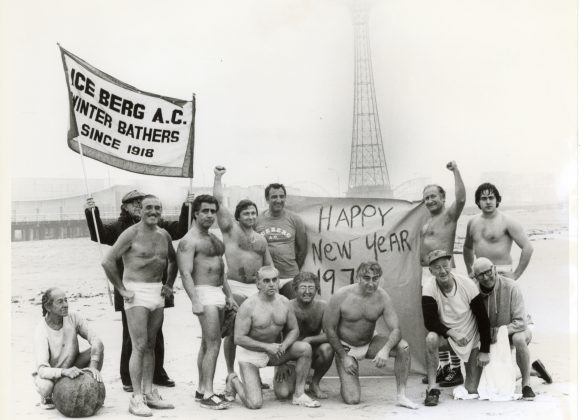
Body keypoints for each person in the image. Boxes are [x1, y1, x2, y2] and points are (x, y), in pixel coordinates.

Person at [85, 190, 194, 391]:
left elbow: (180, 230)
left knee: (155, 338)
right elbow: (99, 235)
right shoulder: (122, 229)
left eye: (139, 201)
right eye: (133, 203)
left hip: (157, 289)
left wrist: (188, 207)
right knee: (132, 338)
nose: (138, 205)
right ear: (125, 206)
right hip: (131, 290)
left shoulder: (160, 228)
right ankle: (127, 378)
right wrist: (92, 212)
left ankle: (157, 373)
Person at [102, 195, 177, 416]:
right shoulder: (131, 233)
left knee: (151, 344)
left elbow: (172, 261)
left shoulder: (164, 235)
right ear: (140, 211)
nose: (153, 211)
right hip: (136, 292)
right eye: (148, 208)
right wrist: (122, 289)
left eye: (157, 208)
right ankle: (136, 397)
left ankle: (149, 392)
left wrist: (170, 284)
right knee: (139, 344)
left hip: (157, 291)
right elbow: (107, 261)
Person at [323, 261, 418, 409]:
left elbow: (396, 329)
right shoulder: (341, 295)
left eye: (375, 278)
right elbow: (329, 329)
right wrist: (343, 356)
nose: (371, 283)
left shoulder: (382, 296)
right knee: (352, 399)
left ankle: (402, 395)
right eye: (366, 278)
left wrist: (385, 349)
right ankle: (347, 378)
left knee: (403, 347)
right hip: (346, 347)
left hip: (369, 342)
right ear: (358, 277)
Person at [224, 266, 321, 409]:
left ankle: (299, 394)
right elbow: (238, 338)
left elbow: (294, 330)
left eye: (275, 280)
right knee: (254, 404)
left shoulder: (284, 302)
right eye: (266, 280)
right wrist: (267, 346)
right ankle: (233, 380)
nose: (271, 284)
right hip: (251, 356)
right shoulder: (248, 306)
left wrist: (285, 345)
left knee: (305, 348)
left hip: (275, 352)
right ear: (258, 284)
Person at [177, 194, 237, 410]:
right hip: (202, 293)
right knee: (213, 343)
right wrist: (194, 300)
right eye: (205, 211)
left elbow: (222, 271)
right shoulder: (188, 241)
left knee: (207, 342)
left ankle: (202, 389)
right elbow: (185, 273)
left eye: (213, 211)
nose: (210, 215)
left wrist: (228, 295)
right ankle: (209, 395)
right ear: (195, 213)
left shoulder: (213, 239)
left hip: (218, 293)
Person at [212, 166, 273, 377]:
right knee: (232, 330)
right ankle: (230, 373)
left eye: (253, 213)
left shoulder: (261, 239)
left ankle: (251, 371)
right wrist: (218, 178)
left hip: (256, 289)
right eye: (246, 213)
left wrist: (272, 288)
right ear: (237, 216)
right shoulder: (230, 229)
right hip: (236, 286)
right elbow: (219, 203)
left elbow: (269, 267)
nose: (250, 216)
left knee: (255, 331)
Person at [472, 257, 551, 400]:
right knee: (491, 382)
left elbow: (520, 322)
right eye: (480, 274)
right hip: (491, 333)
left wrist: (499, 332)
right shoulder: (473, 291)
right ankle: (533, 370)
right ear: (475, 277)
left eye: (488, 271)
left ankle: (526, 385)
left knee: (519, 339)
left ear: (494, 269)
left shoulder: (512, 286)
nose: (486, 277)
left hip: (517, 328)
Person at [421, 250, 491, 407]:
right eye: (437, 267)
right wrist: (452, 333)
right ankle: (432, 388)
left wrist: (484, 350)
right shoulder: (429, 287)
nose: (442, 271)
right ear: (431, 271)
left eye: (445, 266)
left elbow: (483, 320)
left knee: (472, 390)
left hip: (470, 337)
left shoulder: (467, 284)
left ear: (451, 265)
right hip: (450, 336)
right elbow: (430, 322)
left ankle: (526, 372)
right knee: (431, 338)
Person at [420, 161, 466, 387]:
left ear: (443, 198)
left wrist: (455, 171)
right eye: (426, 197)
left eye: (433, 196)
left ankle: (455, 368)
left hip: (445, 272)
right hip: (426, 275)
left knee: (451, 318)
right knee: (433, 321)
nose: (429, 200)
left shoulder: (448, 217)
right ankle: (444, 366)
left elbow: (462, 199)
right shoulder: (426, 220)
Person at [33, 288, 104, 410]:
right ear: (48, 307)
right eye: (60, 302)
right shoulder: (41, 330)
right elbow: (42, 370)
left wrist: (93, 367)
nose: (66, 305)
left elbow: (96, 340)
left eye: (66, 300)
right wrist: (64, 372)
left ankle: (90, 385)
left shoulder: (73, 317)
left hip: (73, 365)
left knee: (97, 350)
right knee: (46, 387)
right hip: (53, 374)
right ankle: (48, 396)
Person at [275, 272, 334, 399]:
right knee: (283, 394)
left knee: (328, 348)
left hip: (311, 353)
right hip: (288, 355)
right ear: (295, 289)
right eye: (303, 287)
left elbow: (330, 335)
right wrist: (280, 363)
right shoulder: (286, 306)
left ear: (316, 289)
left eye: (311, 288)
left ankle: (315, 383)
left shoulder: (323, 306)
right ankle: (296, 377)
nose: (307, 292)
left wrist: (309, 340)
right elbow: (276, 336)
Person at [463, 182, 534, 280]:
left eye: (491, 198)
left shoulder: (507, 221)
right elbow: (467, 248)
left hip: (501, 272)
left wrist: (516, 275)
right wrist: (470, 271)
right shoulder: (472, 222)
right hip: (480, 273)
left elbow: (528, 248)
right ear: (478, 202)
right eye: (484, 198)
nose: (488, 202)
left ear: (497, 200)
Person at [256, 183, 307, 299]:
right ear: (267, 199)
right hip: (266, 277)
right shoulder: (257, 220)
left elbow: (303, 248)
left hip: (289, 275)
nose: (278, 200)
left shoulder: (295, 219)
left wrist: (294, 268)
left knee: (293, 309)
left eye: (281, 196)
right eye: (274, 197)